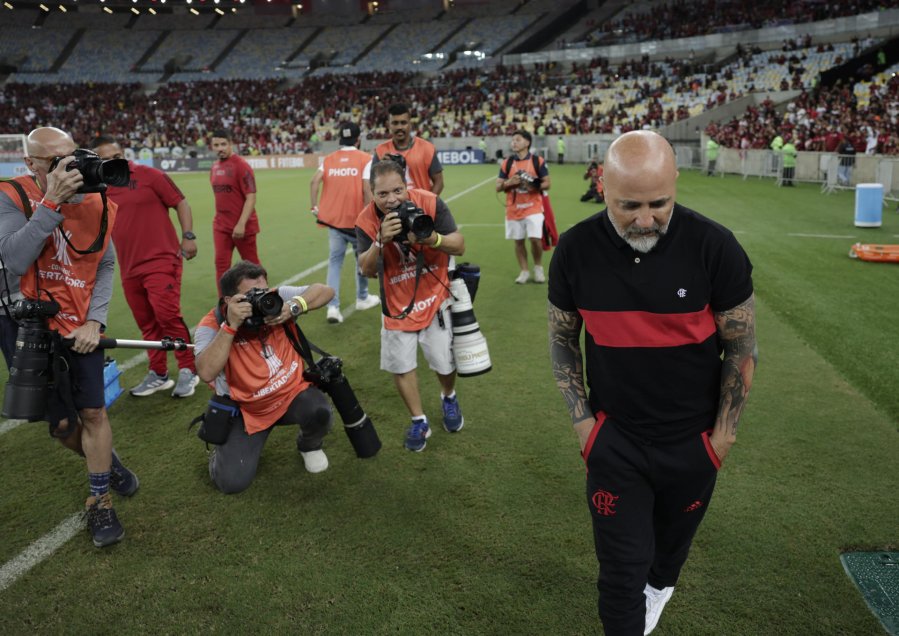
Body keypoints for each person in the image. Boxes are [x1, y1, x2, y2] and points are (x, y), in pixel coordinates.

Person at [547, 131, 757, 635]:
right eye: (629, 205)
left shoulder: (715, 247)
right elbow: (561, 340)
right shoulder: (574, 251)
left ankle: (661, 584)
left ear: (676, 185)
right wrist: (583, 424)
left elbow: (742, 346)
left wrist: (721, 437)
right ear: (602, 187)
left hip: (693, 442)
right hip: (615, 441)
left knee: (667, 551)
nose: (645, 219)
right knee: (620, 574)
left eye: (659, 203)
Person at [0, 127, 141, 548]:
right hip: (21, 321)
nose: (68, 167)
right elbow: (15, 257)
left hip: (78, 320)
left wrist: (95, 322)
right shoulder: (11, 195)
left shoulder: (97, 200)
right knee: (61, 424)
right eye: (54, 161)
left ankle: (100, 498)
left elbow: (105, 265)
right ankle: (107, 463)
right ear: (31, 164)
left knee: (94, 413)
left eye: (71, 156)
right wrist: (51, 202)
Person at [194, 260, 335, 494]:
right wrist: (230, 326)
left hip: (290, 394)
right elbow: (206, 371)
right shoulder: (210, 325)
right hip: (246, 409)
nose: (262, 298)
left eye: (263, 290)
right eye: (251, 295)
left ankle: (309, 445)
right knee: (231, 483)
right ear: (229, 301)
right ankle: (224, 453)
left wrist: (295, 306)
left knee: (319, 411)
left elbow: (326, 290)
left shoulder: (274, 300)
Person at [355, 160, 465, 452]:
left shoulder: (429, 202)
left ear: (407, 186)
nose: (392, 199)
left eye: (398, 190)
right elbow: (365, 269)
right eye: (383, 194)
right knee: (402, 366)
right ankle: (419, 420)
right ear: (372, 192)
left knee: (444, 361)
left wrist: (432, 238)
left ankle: (448, 396)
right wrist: (379, 241)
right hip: (396, 306)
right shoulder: (366, 220)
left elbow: (459, 244)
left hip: (434, 298)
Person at [89, 135, 200, 398]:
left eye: (115, 157)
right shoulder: (100, 187)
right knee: (147, 323)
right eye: (105, 159)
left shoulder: (150, 175)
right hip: (128, 266)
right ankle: (159, 374)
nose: (111, 162)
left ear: (123, 153)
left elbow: (180, 202)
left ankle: (188, 369)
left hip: (162, 259)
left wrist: (189, 236)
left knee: (167, 316)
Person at [308, 121, 380, 324]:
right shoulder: (366, 158)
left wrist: (314, 207)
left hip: (334, 223)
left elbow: (314, 181)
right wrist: (371, 217)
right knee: (363, 260)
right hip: (357, 222)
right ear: (358, 139)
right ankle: (362, 297)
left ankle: (332, 307)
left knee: (335, 263)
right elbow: (367, 191)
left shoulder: (329, 159)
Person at [496, 129, 552, 284]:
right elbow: (498, 187)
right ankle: (524, 271)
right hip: (513, 209)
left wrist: (534, 186)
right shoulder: (507, 163)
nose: (513, 142)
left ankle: (538, 268)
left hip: (533, 207)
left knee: (535, 239)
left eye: (518, 139)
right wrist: (509, 183)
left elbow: (547, 183)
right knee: (518, 241)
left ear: (527, 142)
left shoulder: (537, 161)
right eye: (512, 140)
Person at [209, 129, 260, 291]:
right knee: (221, 266)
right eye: (216, 145)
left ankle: (262, 298)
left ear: (231, 144)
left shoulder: (242, 166)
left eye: (223, 144)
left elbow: (251, 197)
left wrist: (241, 223)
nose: (220, 148)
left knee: (252, 268)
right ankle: (224, 305)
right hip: (221, 226)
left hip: (243, 226)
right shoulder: (214, 167)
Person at [367, 103, 444, 195]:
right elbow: (373, 184)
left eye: (403, 123)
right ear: (388, 125)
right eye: (395, 123)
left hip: (420, 207)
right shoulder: (380, 151)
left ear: (410, 124)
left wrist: (427, 204)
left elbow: (439, 182)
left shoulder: (426, 148)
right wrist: (380, 169)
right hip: (392, 207)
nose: (399, 127)